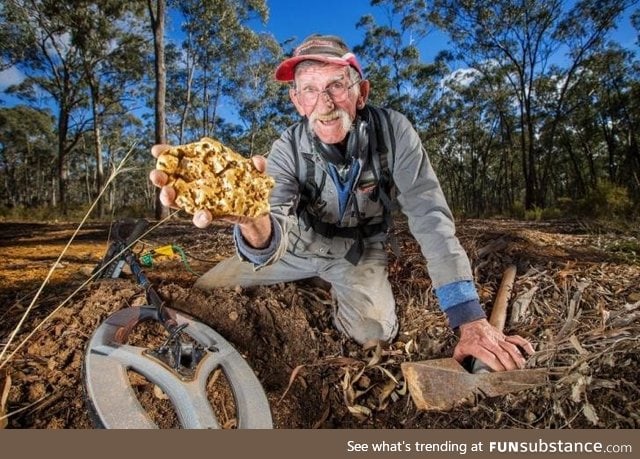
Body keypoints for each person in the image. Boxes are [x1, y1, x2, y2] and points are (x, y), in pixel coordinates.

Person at [150, 34, 534, 371]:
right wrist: (252, 220)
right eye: (310, 90)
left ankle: (336, 285)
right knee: (203, 291)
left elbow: (430, 217)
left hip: (359, 251)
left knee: (375, 332)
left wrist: (468, 317)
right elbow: (275, 219)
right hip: (297, 243)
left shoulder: (394, 132)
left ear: (360, 93)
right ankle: (308, 274)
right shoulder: (286, 149)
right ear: (297, 100)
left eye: (337, 85)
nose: (325, 102)